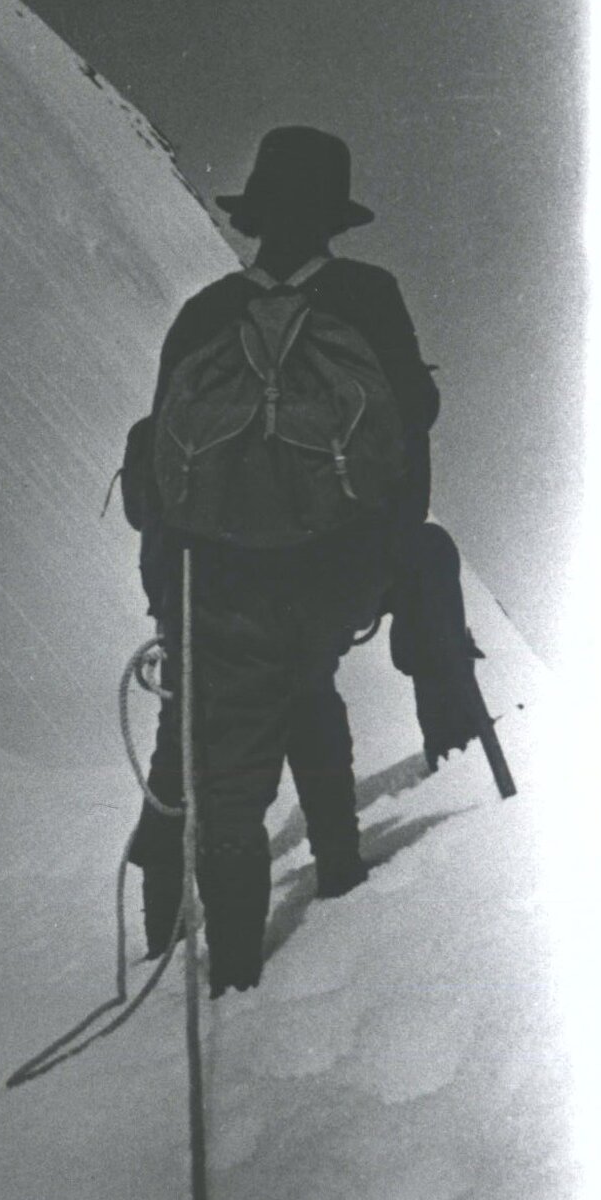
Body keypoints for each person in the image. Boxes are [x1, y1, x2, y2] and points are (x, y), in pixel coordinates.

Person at [125, 128, 439, 995]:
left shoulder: (205, 312)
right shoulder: (368, 296)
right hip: (326, 572)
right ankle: (331, 881)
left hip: (211, 575)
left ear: (256, 217)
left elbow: (158, 458)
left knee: (204, 761)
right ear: (331, 219)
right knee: (304, 687)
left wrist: (166, 593)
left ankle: (202, 967)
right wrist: (381, 560)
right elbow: (408, 425)